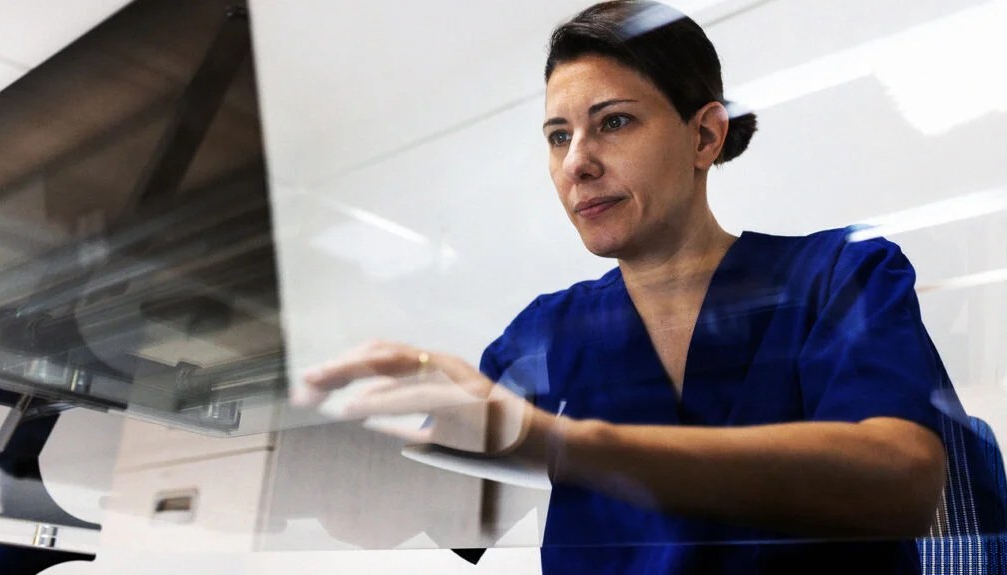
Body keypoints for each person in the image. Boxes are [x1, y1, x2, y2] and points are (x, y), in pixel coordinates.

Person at [300, 1, 1005, 573]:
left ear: (704, 137)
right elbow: (430, 513)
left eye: (613, 122)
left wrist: (565, 443)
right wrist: (344, 428)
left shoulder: (837, 278)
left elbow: (902, 481)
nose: (577, 163)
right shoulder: (549, 331)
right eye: (557, 135)